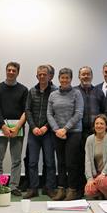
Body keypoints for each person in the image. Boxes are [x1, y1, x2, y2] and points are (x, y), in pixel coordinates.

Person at [0, 62, 28, 197]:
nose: (11, 72)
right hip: (1, 128)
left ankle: (13, 186)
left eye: (14, 70)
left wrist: (17, 127)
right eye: (9, 70)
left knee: (16, 159)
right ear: (5, 71)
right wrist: (4, 126)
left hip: (18, 129)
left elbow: (26, 111)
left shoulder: (23, 90)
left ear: (18, 72)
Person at [47, 68, 84, 201]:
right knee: (61, 162)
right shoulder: (53, 95)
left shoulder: (77, 93)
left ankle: (72, 190)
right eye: (62, 77)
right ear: (59, 79)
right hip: (57, 133)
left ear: (71, 79)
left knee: (71, 162)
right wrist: (57, 129)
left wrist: (65, 129)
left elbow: (79, 113)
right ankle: (61, 189)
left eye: (67, 78)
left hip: (73, 133)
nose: (64, 80)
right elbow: (49, 114)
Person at [24, 65, 57, 199]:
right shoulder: (32, 91)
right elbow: (28, 110)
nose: (42, 76)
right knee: (32, 162)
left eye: (44, 74)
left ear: (49, 76)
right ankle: (33, 188)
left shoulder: (55, 92)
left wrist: (46, 127)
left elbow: (56, 112)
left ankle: (49, 188)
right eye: (40, 74)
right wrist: (33, 127)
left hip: (48, 132)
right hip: (34, 132)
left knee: (49, 162)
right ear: (37, 76)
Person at [75, 66, 105, 195]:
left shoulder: (99, 92)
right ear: (79, 76)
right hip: (78, 131)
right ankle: (79, 188)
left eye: (88, 74)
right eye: (83, 74)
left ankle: (93, 188)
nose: (85, 76)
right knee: (79, 160)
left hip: (95, 133)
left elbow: (104, 111)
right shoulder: (74, 91)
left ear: (92, 76)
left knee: (94, 160)